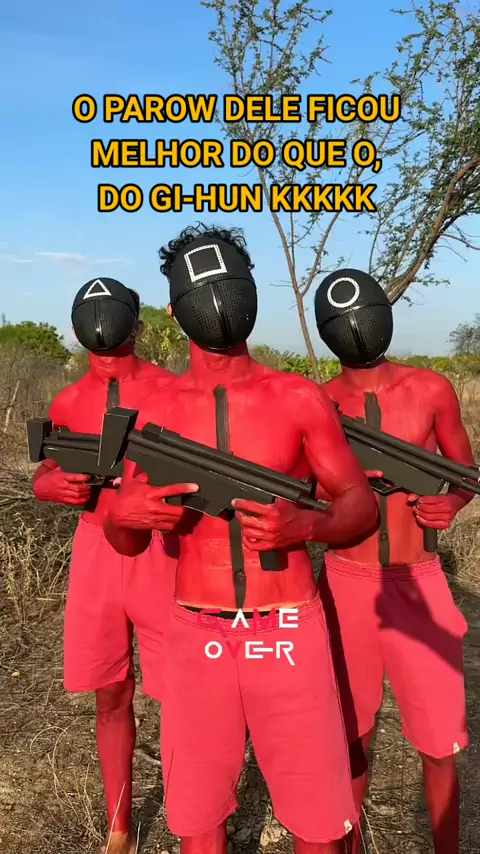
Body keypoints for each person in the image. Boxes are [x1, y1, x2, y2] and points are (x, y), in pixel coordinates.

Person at [103, 225, 379, 854]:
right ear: (171, 309)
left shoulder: (299, 397)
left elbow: (359, 504)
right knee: (199, 820)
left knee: (318, 823)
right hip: (196, 630)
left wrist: (309, 525)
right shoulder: (156, 409)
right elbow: (127, 541)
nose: (218, 303)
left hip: (289, 626)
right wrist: (124, 514)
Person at [313, 268, 473, 854]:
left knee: (439, 743)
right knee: (350, 738)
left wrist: (450, 502)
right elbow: (301, 488)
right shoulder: (318, 402)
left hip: (418, 580)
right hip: (343, 583)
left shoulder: (431, 390)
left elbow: (465, 472)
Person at [32, 278, 177, 854]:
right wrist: (49, 487)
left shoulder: (173, 391)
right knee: (110, 692)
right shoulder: (68, 401)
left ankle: (192, 809)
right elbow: (47, 469)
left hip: (163, 550)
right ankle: (119, 824)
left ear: (138, 327)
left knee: (178, 691)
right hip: (96, 552)